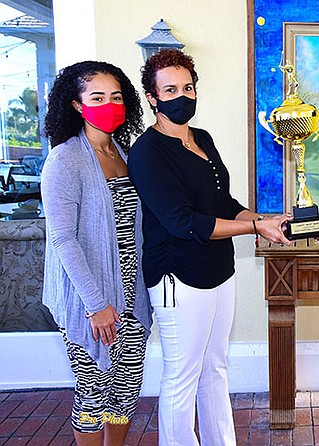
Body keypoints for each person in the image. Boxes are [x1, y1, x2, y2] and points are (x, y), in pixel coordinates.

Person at [127, 49, 291, 446]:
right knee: (182, 376)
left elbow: (223, 203)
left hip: (219, 269)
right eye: (169, 89)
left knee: (215, 368)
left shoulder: (203, 139)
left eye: (187, 87)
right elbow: (182, 221)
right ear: (152, 97)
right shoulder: (146, 152)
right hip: (177, 275)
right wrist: (251, 226)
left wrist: (263, 219)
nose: (181, 96)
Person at [41, 61, 152, 445]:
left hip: (132, 297)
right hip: (89, 301)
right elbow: (63, 240)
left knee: (125, 391)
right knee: (92, 393)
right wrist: (96, 303)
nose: (109, 104)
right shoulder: (64, 160)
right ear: (76, 105)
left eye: (116, 97)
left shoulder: (126, 153)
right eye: (98, 97)